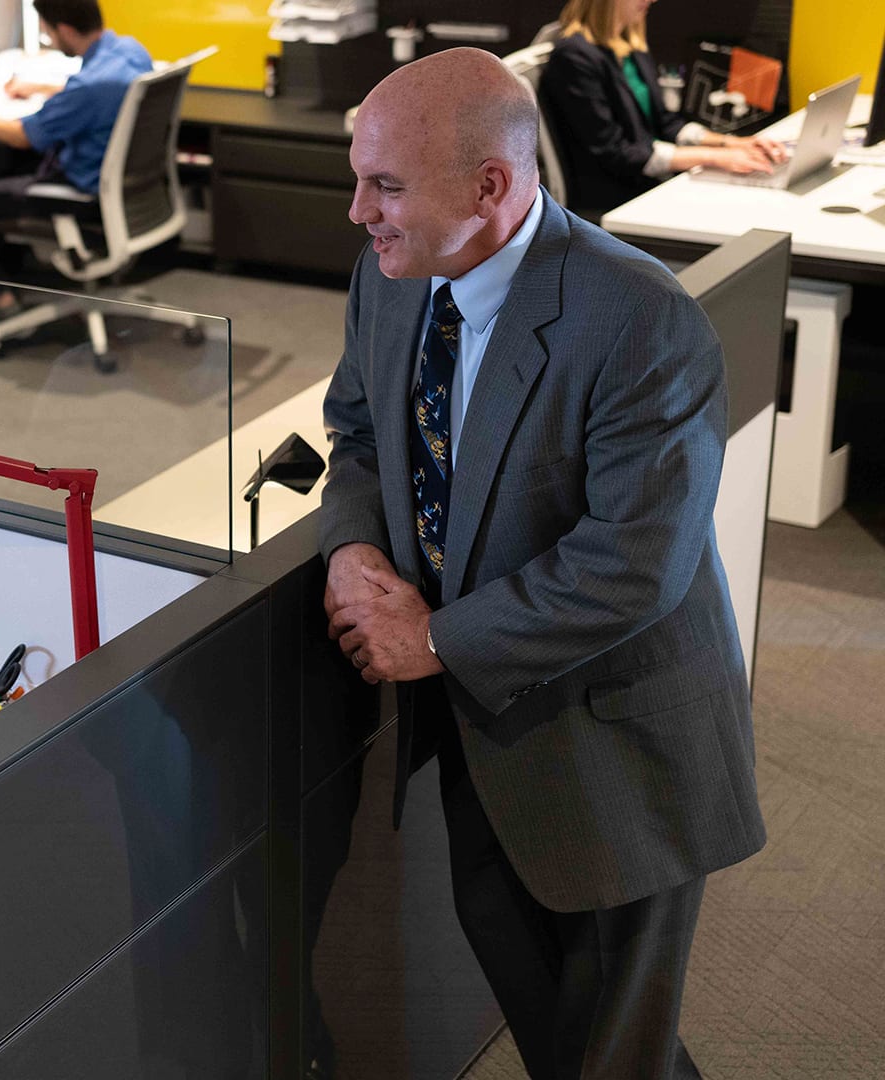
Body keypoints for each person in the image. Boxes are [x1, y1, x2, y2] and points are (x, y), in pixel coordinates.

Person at [320, 48, 763, 1078]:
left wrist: (432, 637)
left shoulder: (641, 320)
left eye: (385, 185)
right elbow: (357, 432)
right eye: (359, 178)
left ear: (491, 187)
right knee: (563, 1028)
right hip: (487, 737)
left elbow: (631, 565)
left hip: (615, 756)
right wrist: (349, 545)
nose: (358, 211)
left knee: (613, 1047)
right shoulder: (392, 281)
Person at [0, 0, 151, 328]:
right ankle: (8, 269)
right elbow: (101, 94)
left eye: (47, 31)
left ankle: (1, 301)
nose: (46, 38)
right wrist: (43, 89)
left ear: (66, 30)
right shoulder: (128, 51)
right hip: (124, 185)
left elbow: (23, 135)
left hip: (83, 190)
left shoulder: (87, 88)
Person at [538, 0, 787, 219]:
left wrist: (729, 144)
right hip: (617, 196)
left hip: (649, 181)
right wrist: (712, 157)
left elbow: (667, 124)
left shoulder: (629, 45)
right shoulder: (574, 57)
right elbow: (616, 153)